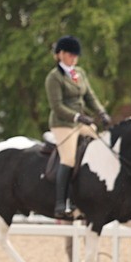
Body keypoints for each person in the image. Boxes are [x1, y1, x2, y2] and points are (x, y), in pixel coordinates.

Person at [45, 35, 111, 219]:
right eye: (69, 55)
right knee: (69, 159)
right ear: (60, 55)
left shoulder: (79, 73)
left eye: (75, 55)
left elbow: (90, 96)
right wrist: (77, 116)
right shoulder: (54, 77)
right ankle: (60, 202)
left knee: (100, 148)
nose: (73, 58)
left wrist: (102, 113)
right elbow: (57, 106)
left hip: (81, 122)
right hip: (63, 123)